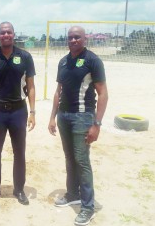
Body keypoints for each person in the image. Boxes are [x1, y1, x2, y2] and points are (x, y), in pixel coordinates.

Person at [48, 26, 108, 225]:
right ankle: (72, 193)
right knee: (69, 158)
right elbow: (59, 91)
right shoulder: (63, 61)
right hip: (63, 117)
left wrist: (97, 124)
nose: (73, 40)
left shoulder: (93, 61)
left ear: (84, 39)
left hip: (83, 117)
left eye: (77, 37)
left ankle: (88, 207)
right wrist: (52, 117)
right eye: (70, 37)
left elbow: (103, 94)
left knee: (82, 161)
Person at [0, 22, 36, 205]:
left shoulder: (25, 57)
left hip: (19, 111)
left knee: (19, 152)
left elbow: (31, 86)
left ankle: (19, 189)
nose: (6, 35)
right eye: (2, 33)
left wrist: (33, 112)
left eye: (9, 32)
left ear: (13, 34)